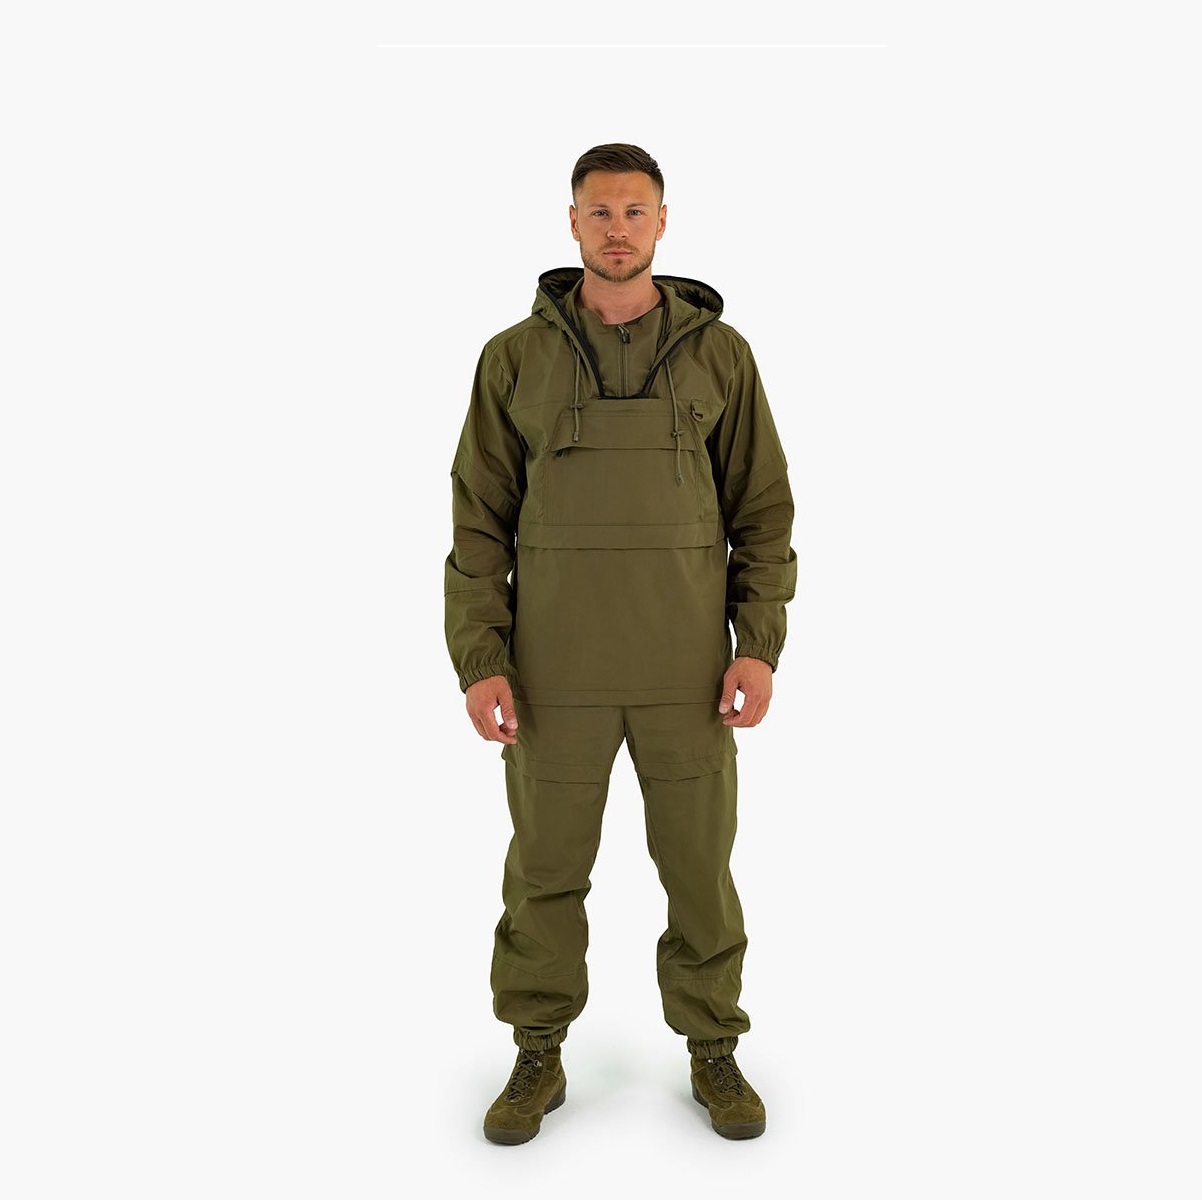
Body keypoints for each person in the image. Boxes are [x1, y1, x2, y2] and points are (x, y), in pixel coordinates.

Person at [444, 143, 797, 1144]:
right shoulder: (512, 359)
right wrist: (481, 659)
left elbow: (762, 511)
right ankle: (537, 1050)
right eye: (598, 211)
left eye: (634, 211)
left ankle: (713, 1047)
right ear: (572, 223)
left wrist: (758, 644)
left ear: (662, 222)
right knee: (544, 874)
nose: (616, 228)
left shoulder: (721, 356)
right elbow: (477, 523)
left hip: (688, 671)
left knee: (699, 872)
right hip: (553, 673)